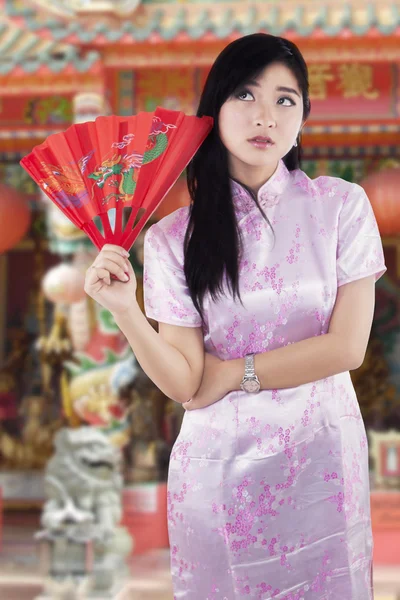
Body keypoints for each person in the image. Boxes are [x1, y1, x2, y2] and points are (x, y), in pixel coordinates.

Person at [84, 33, 386, 599]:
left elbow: (347, 347)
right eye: (245, 96)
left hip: (321, 462)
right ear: (215, 110)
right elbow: (186, 383)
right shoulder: (175, 237)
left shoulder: (340, 206)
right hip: (218, 469)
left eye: (285, 100)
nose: (265, 115)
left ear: (302, 119)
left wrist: (236, 372)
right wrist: (126, 311)